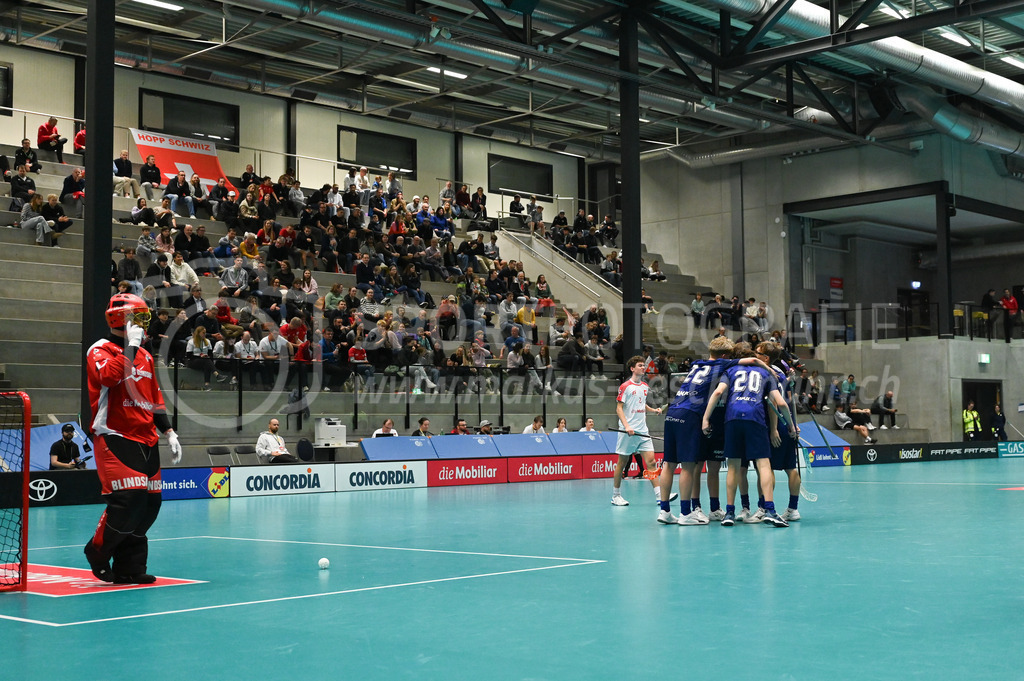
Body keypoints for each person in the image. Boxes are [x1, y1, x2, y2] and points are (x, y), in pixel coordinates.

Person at [84, 293, 182, 585]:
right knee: (128, 500)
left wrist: (169, 431)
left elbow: (154, 400)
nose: (143, 324)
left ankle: (130, 566)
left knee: (150, 504)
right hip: (114, 435)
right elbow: (111, 377)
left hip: (147, 438)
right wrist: (131, 345)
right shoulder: (99, 349)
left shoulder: (146, 356)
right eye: (137, 318)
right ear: (120, 319)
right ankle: (97, 552)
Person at [701, 343, 790, 527]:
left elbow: (718, 391)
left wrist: (706, 418)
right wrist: (790, 425)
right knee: (763, 464)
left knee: (733, 467)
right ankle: (770, 510)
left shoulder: (731, 369)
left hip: (732, 418)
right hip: (755, 418)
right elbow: (780, 403)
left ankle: (729, 513)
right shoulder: (766, 373)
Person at [611, 355, 672, 508]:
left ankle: (660, 496)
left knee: (651, 462)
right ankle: (616, 495)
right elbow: (619, 408)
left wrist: (654, 410)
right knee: (621, 463)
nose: (643, 367)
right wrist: (626, 426)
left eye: (643, 365)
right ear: (632, 369)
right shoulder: (625, 386)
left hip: (642, 431)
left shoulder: (644, 386)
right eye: (639, 365)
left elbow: (641, 404)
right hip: (628, 431)